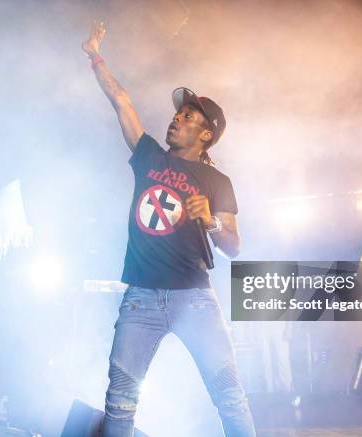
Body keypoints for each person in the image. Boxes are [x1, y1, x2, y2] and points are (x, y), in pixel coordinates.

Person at [82, 21, 256, 437]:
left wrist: (211, 220)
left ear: (206, 134)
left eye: (188, 115)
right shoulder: (150, 158)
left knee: (229, 396)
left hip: (195, 298)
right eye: (178, 113)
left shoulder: (218, 183)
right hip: (140, 298)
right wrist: (95, 55)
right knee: (119, 403)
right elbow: (121, 100)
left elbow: (234, 246)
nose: (176, 119)